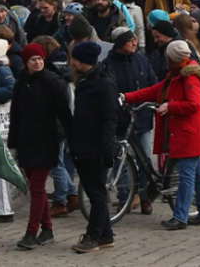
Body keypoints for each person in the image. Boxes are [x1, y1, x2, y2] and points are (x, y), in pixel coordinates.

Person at [124, 40, 200, 231]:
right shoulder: (177, 73)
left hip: (189, 134)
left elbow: (193, 103)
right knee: (196, 174)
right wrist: (127, 96)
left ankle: (180, 217)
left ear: (173, 59)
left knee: (186, 177)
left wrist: (170, 106)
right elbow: (155, 90)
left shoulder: (189, 77)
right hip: (186, 133)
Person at [9, 43, 72, 249]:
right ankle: (47, 229)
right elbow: (15, 114)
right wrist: (13, 142)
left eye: (40, 59)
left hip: (47, 139)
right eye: (33, 60)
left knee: (37, 187)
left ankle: (31, 231)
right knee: (36, 188)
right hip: (27, 140)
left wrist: (72, 137)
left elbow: (64, 113)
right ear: (26, 63)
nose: (37, 62)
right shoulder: (22, 82)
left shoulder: (53, 82)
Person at [67, 40, 119, 253]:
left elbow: (110, 118)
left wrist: (106, 148)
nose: (70, 62)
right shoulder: (86, 80)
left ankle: (93, 236)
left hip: (95, 146)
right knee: (93, 190)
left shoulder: (103, 83)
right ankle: (105, 235)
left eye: (73, 59)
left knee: (96, 194)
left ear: (82, 61)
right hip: (83, 144)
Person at [102, 30, 158, 215]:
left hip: (141, 118)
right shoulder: (108, 64)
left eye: (135, 39)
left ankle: (144, 197)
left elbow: (153, 83)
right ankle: (124, 197)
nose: (134, 43)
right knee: (120, 160)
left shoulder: (142, 60)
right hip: (119, 120)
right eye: (130, 40)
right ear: (119, 43)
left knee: (145, 159)